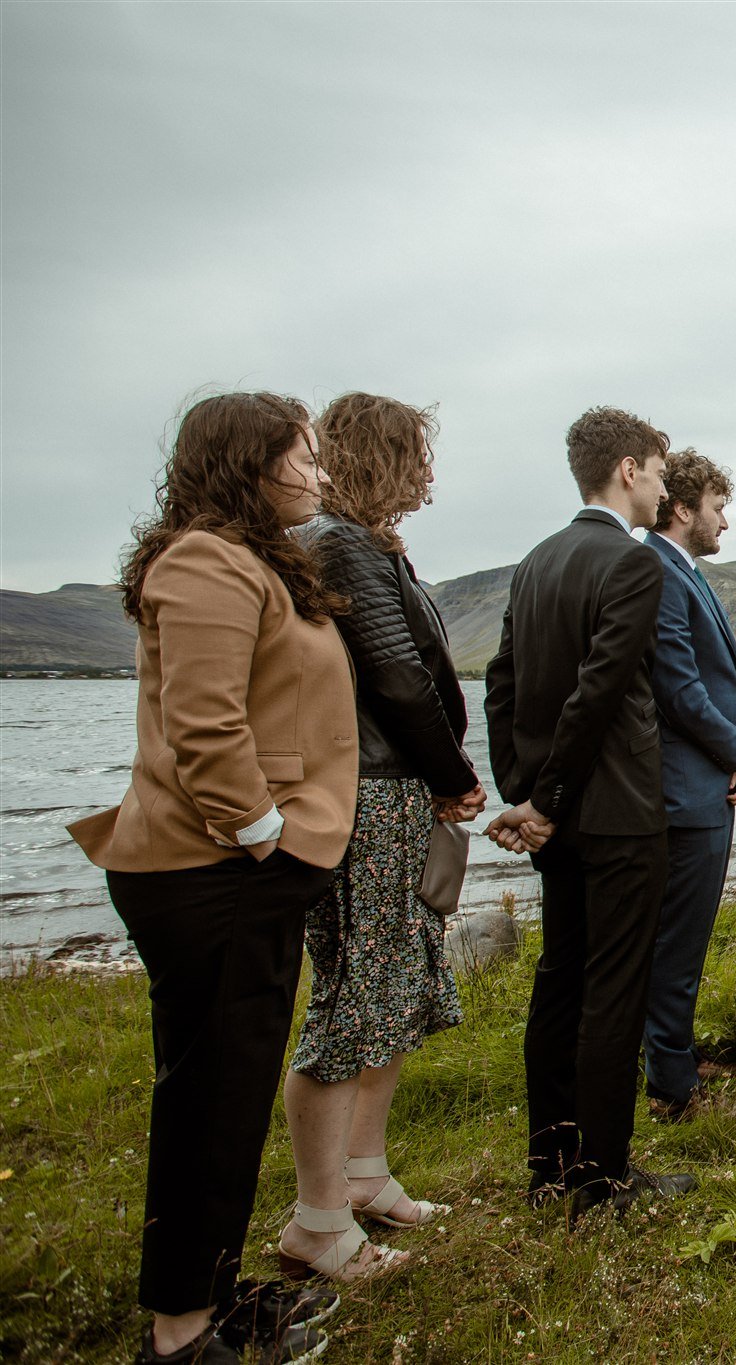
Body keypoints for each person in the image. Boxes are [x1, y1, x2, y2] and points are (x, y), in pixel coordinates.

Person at [69, 392, 349, 1364]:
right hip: (213, 871)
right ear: (250, 464)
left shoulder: (259, 564)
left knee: (230, 1098)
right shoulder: (201, 560)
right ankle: (179, 1335)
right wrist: (267, 833)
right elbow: (203, 723)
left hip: (244, 870)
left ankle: (215, 1297)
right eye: (304, 457)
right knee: (208, 1103)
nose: (318, 473)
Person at [276, 394, 486, 1281]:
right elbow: (397, 678)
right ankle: (317, 1218)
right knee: (358, 995)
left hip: (395, 789)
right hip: (372, 793)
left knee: (399, 983)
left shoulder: (367, 542)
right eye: (418, 456)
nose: (431, 475)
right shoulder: (341, 543)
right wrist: (455, 777)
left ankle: (364, 1175)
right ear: (382, 457)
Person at [482, 407, 693, 1225]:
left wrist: (525, 789)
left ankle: (549, 1164)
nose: (667, 487)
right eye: (662, 472)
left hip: (559, 816)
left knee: (559, 980)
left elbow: (502, 683)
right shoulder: (635, 565)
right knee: (614, 991)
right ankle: (603, 1180)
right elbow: (598, 695)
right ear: (630, 470)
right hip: (620, 814)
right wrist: (544, 797)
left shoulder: (536, 561)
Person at [642, 449, 736, 1120]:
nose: (725, 522)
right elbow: (680, 689)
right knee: (676, 943)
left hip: (705, 784)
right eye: (719, 507)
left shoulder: (683, 572)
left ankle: (676, 1055)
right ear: (684, 508)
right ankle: (669, 1085)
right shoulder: (660, 571)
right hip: (683, 795)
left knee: (685, 940)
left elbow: (710, 685)